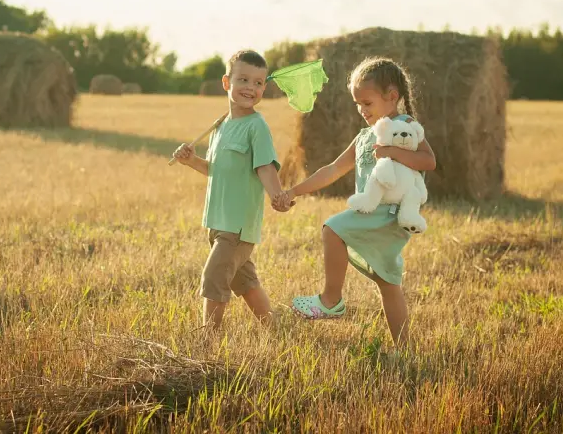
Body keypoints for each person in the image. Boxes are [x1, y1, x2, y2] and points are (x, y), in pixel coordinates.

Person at [273, 57, 436, 346]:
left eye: (367, 103)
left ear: (392, 97)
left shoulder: (404, 126)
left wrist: (391, 152)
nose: (362, 110)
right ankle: (405, 349)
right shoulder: (363, 137)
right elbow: (333, 169)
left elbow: (428, 161)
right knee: (389, 284)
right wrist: (294, 191)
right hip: (376, 214)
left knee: (333, 229)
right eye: (357, 104)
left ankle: (330, 300)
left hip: (389, 214)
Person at [172, 50, 287, 329]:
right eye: (244, 79)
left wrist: (276, 195)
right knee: (243, 280)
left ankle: (208, 339)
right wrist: (192, 161)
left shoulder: (256, 127)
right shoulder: (220, 126)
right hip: (217, 220)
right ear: (227, 82)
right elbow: (215, 169)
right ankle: (273, 328)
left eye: (259, 83)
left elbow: (265, 167)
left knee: (213, 277)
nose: (251, 87)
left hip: (237, 224)